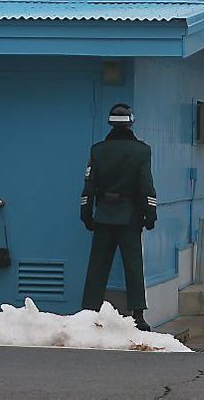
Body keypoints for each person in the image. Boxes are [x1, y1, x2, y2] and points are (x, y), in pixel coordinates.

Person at [80, 103, 158, 331]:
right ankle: (138, 315)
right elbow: (146, 186)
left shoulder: (97, 150)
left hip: (104, 215)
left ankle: (89, 310)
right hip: (130, 217)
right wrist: (150, 215)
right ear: (131, 122)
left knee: (97, 266)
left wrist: (87, 214)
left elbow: (89, 185)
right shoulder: (142, 151)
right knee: (133, 266)